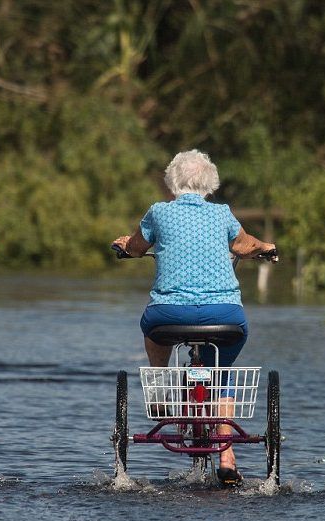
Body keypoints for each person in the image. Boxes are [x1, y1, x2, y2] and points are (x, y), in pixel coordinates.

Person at [112, 149, 276, 486]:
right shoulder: (223, 215)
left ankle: (159, 387)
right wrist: (266, 247)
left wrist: (124, 244)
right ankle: (227, 455)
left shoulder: (158, 212)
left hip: (168, 315)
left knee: (151, 329)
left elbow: (138, 248)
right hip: (224, 315)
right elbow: (245, 246)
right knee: (223, 371)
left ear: (172, 182)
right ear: (210, 182)